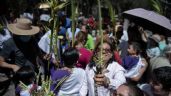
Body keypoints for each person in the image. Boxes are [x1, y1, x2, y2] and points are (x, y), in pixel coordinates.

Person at [0, 18, 39, 96]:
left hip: (33, 76)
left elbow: (39, 53)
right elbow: (1, 61)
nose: (27, 36)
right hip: (20, 79)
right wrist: (13, 66)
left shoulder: (32, 40)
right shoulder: (9, 43)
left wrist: (46, 57)